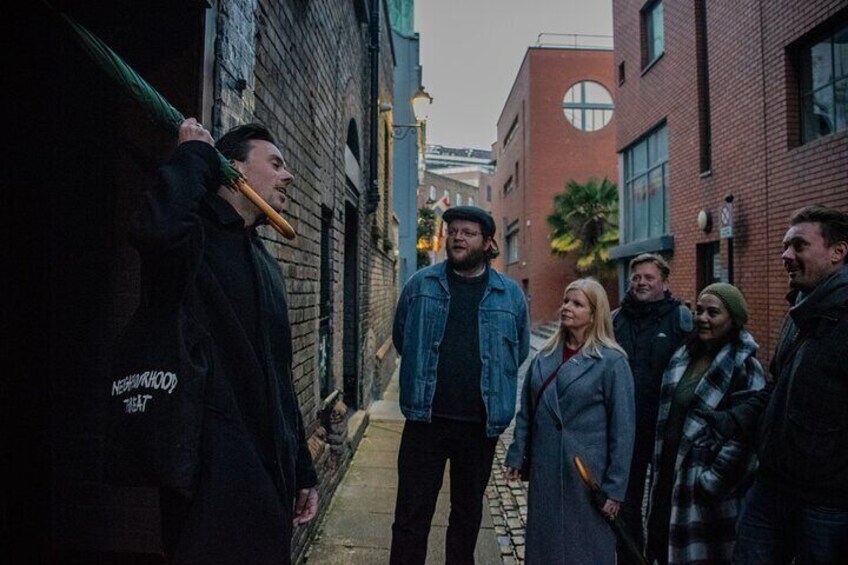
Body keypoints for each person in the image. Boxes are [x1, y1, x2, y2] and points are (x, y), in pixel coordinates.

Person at [129, 118, 318, 563]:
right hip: (210, 481)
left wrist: (302, 468)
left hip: (269, 480)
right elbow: (155, 231)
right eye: (275, 164)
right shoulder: (193, 240)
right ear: (234, 169)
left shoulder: (265, 263)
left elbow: (280, 376)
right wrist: (192, 158)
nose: (288, 175)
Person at [390, 205, 530, 565]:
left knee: (466, 518)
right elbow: (403, 338)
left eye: (468, 233)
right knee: (410, 517)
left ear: (487, 242)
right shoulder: (420, 285)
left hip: (479, 428)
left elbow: (517, 352)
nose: (457, 238)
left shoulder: (509, 295)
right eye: (452, 231)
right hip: (425, 423)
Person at [733, 205, 848, 564]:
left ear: (837, 252)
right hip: (770, 486)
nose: (786, 255)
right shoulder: (799, 309)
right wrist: (733, 419)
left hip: (826, 503)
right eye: (785, 246)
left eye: (799, 246)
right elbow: (777, 385)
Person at [505, 278, 635, 565]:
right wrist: (517, 453)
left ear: (594, 314)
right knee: (546, 545)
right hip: (547, 469)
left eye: (577, 304)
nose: (567, 307)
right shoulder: (544, 356)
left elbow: (623, 431)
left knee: (585, 548)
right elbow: (527, 410)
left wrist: (615, 489)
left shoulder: (612, 362)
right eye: (566, 301)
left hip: (587, 475)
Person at [645, 283, 765, 565]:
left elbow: (749, 438)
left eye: (713, 312)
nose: (702, 318)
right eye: (699, 310)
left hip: (707, 492)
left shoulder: (745, 366)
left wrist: (711, 482)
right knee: (663, 550)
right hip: (669, 477)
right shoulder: (684, 354)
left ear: (733, 319)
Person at [612, 253, 692, 564]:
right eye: (636, 277)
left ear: (664, 282)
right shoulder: (616, 320)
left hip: (665, 430)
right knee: (625, 503)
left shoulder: (681, 320)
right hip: (625, 429)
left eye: (649, 277)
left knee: (663, 504)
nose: (641, 282)